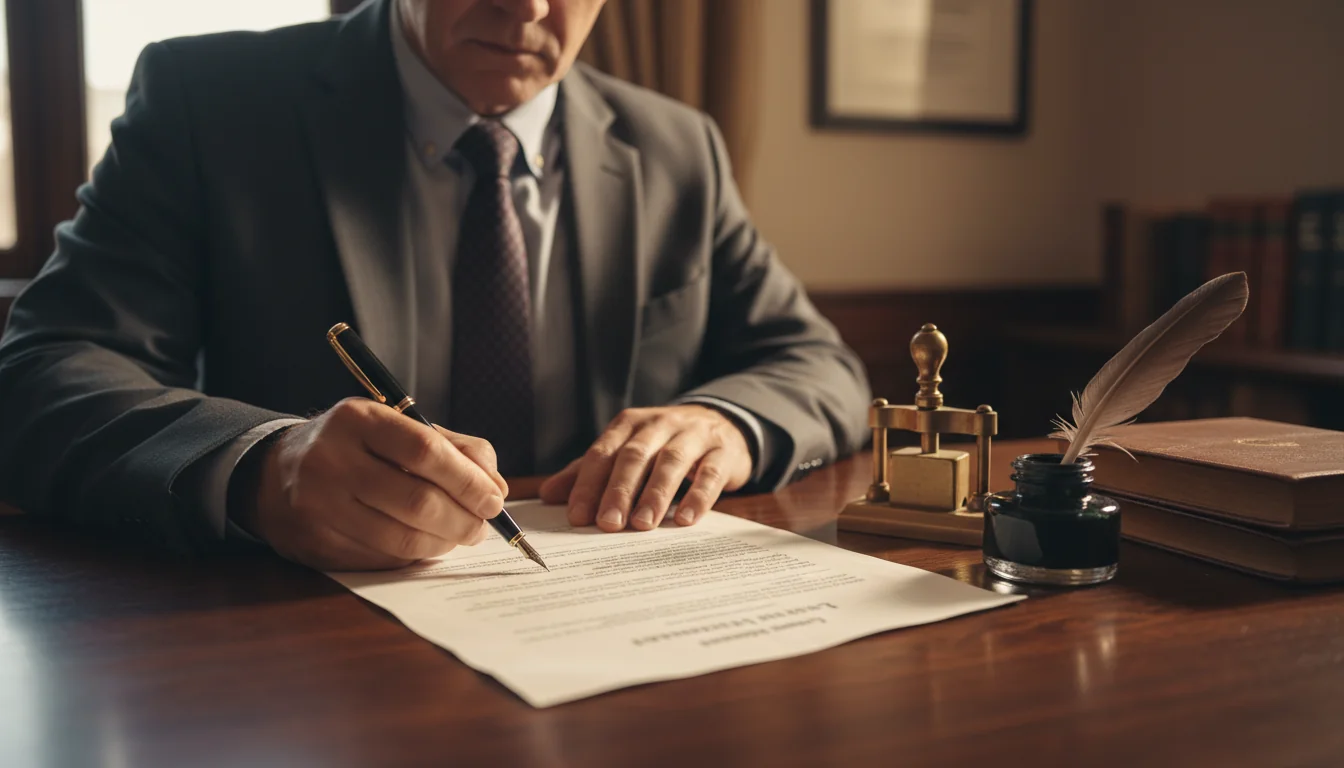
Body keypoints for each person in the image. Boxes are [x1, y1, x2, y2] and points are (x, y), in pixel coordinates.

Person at [0, 0, 870, 570]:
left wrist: (724, 423)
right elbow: (42, 373)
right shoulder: (208, 101)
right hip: (292, 659)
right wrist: (262, 466)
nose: (526, 5)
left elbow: (814, 362)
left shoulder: (679, 146)